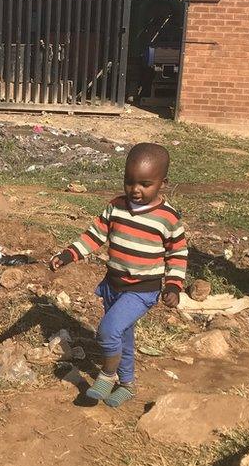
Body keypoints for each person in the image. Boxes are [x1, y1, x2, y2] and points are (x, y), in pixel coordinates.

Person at [49, 142, 186, 407]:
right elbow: (94, 235)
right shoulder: (116, 206)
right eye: (129, 182)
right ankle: (128, 384)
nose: (136, 190)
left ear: (163, 183)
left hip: (142, 289)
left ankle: (107, 374)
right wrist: (68, 255)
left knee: (108, 331)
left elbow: (178, 254)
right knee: (123, 336)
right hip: (113, 285)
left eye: (145, 184)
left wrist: (173, 286)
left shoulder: (167, 218)